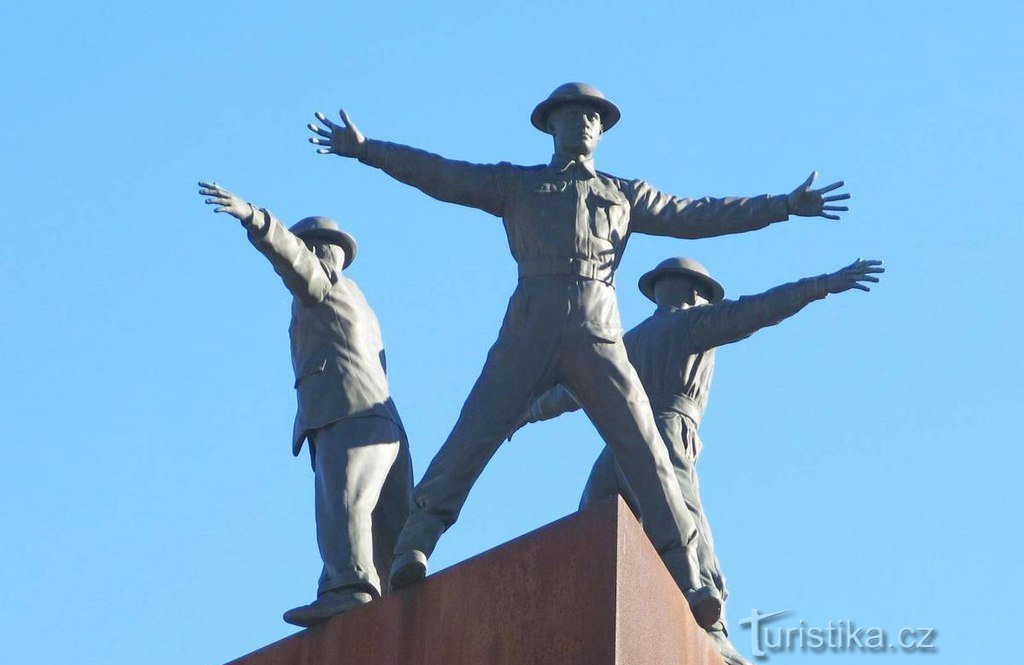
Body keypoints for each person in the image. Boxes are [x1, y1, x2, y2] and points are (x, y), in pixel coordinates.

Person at [306, 82, 851, 629]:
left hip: (598, 331)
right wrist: (369, 149)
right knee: (472, 436)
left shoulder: (624, 195)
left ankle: (691, 578)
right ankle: (411, 549)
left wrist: (783, 206)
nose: (583, 124)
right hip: (529, 325)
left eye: (592, 117)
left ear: (602, 129)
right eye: (571, 117)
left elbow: (700, 214)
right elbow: (444, 176)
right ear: (551, 126)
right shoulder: (516, 184)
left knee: (646, 452)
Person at [521, 255, 885, 665]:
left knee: (598, 515)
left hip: (624, 436)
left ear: (660, 290)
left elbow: (573, 389)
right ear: (694, 291)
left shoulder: (627, 342)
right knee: (678, 513)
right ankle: (712, 626)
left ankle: (598, 613)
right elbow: (761, 309)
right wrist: (821, 283)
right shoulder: (694, 324)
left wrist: (524, 412)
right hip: (668, 430)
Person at [198, 181, 411, 627]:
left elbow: (293, 262)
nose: (318, 257)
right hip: (386, 426)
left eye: (316, 249)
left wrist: (255, 219)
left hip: (347, 416)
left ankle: (349, 589)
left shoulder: (325, 287)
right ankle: (379, 601)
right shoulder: (361, 303)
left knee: (344, 504)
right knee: (383, 530)